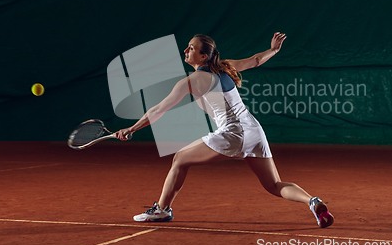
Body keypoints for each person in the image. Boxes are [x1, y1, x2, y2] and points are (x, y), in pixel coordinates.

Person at [115, 32, 334, 228]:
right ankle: (312, 201)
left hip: (232, 133)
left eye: (191, 47)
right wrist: (274, 50)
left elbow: (159, 109)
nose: (186, 49)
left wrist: (132, 128)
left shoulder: (191, 80)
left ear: (203, 57)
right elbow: (256, 61)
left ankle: (162, 210)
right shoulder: (226, 66)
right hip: (254, 130)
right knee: (274, 185)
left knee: (180, 158)